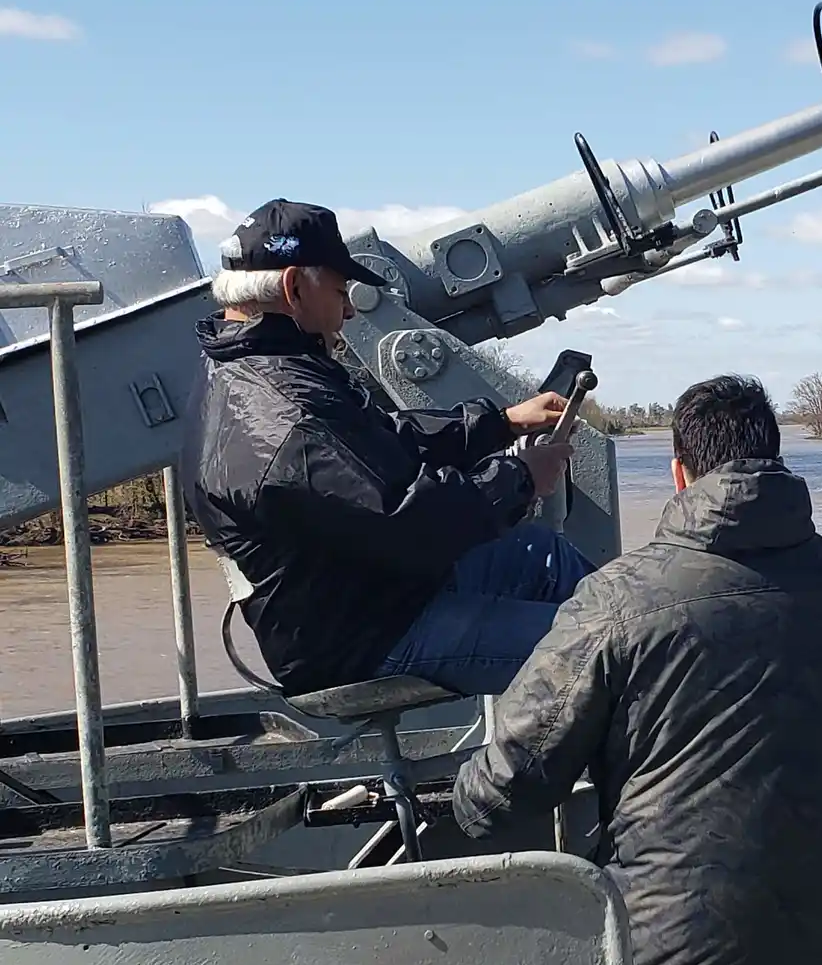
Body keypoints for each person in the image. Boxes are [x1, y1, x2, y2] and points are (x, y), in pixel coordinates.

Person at [452, 375, 822, 965]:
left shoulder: (617, 601)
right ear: (776, 460)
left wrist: (460, 792)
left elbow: (504, 791)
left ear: (679, 473)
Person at [180, 198, 593, 700]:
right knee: (605, 648)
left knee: (544, 557)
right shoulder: (286, 413)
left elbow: (382, 442)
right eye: (340, 292)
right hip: (360, 637)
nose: (349, 310)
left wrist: (500, 423)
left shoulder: (251, 368)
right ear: (293, 287)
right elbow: (408, 521)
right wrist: (521, 478)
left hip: (366, 591)